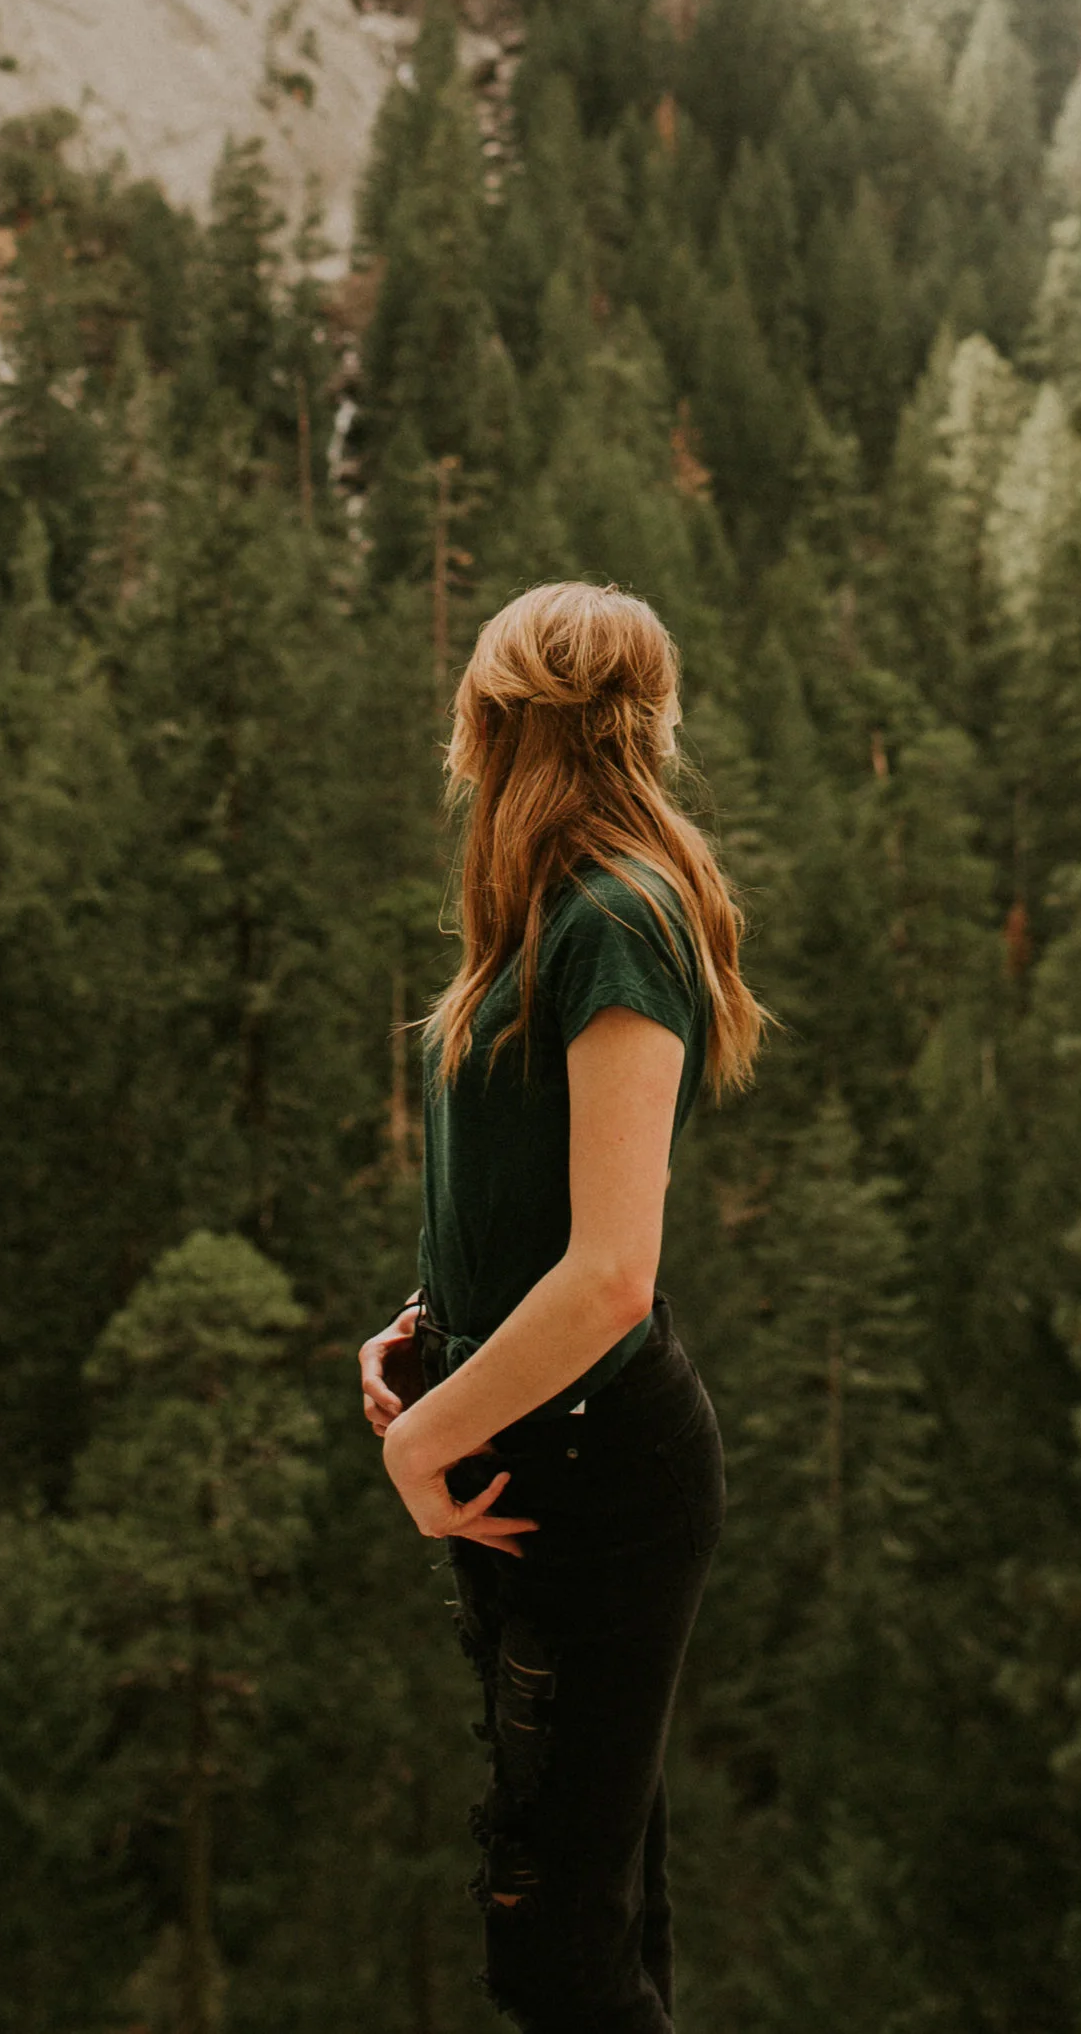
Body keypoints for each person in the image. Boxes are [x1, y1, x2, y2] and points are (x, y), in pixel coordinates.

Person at [360, 579, 766, 2031]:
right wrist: (428, 1326)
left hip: (599, 1471)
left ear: (497, 722)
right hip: (543, 1449)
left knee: (559, 1938)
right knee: (589, 1905)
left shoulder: (615, 918)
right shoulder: (550, 910)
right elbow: (522, 1198)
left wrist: (421, 1446)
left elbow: (608, 1277)